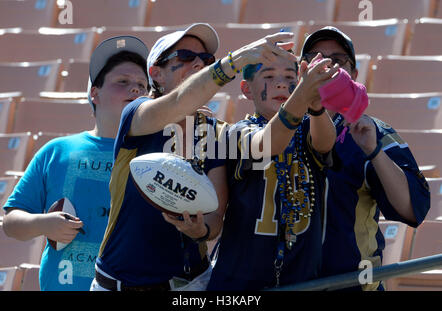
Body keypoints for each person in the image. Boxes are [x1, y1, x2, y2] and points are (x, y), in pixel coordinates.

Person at [91, 23, 297, 291]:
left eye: (206, 59)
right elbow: (179, 102)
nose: (199, 63)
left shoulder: (215, 131)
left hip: (188, 286)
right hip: (118, 283)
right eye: (186, 56)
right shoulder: (137, 113)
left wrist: (199, 231)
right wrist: (234, 62)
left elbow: (215, 219)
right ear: (157, 74)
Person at [2, 35, 150, 290]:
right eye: (122, 82)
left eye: (141, 84)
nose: (135, 89)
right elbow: (11, 223)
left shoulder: (157, 156)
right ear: (95, 93)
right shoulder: (56, 151)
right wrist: (44, 223)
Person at [299, 26, 431, 290]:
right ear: (301, 71)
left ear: (354, 74)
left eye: (336, 60)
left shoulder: (373, 132)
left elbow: (413, 209)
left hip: (353, 286)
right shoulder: (278, 130)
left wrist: (374, 151)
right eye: (315, 58)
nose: (324, 66)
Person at [207, 48, 340, 289]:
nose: (281, 84)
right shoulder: (235, 133)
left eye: (290, 78)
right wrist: (301, 94)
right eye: (268, 76)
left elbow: (325, 143)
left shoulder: (311, 126)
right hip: (240, 282)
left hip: (300, 279)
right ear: (247, 89)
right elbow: (268, 143)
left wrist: (317, 107)